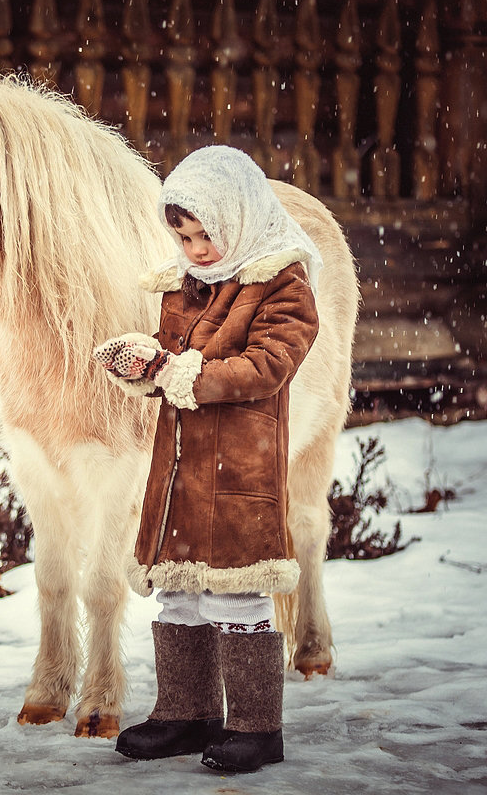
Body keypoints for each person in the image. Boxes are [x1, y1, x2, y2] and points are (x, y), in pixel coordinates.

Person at [93, 145, 321, 774]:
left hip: (240, 469)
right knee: (183, 594)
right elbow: (173, 360)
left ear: (240, 216)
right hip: (180, 469)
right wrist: (146, 365)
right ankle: (187, 712)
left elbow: (268, 366)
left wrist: (180, 370)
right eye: (185, 237)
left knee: (239, 594)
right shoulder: (187, 287)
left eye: (206, 234)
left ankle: (256, 726)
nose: (195, 250)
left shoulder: (281, 283)